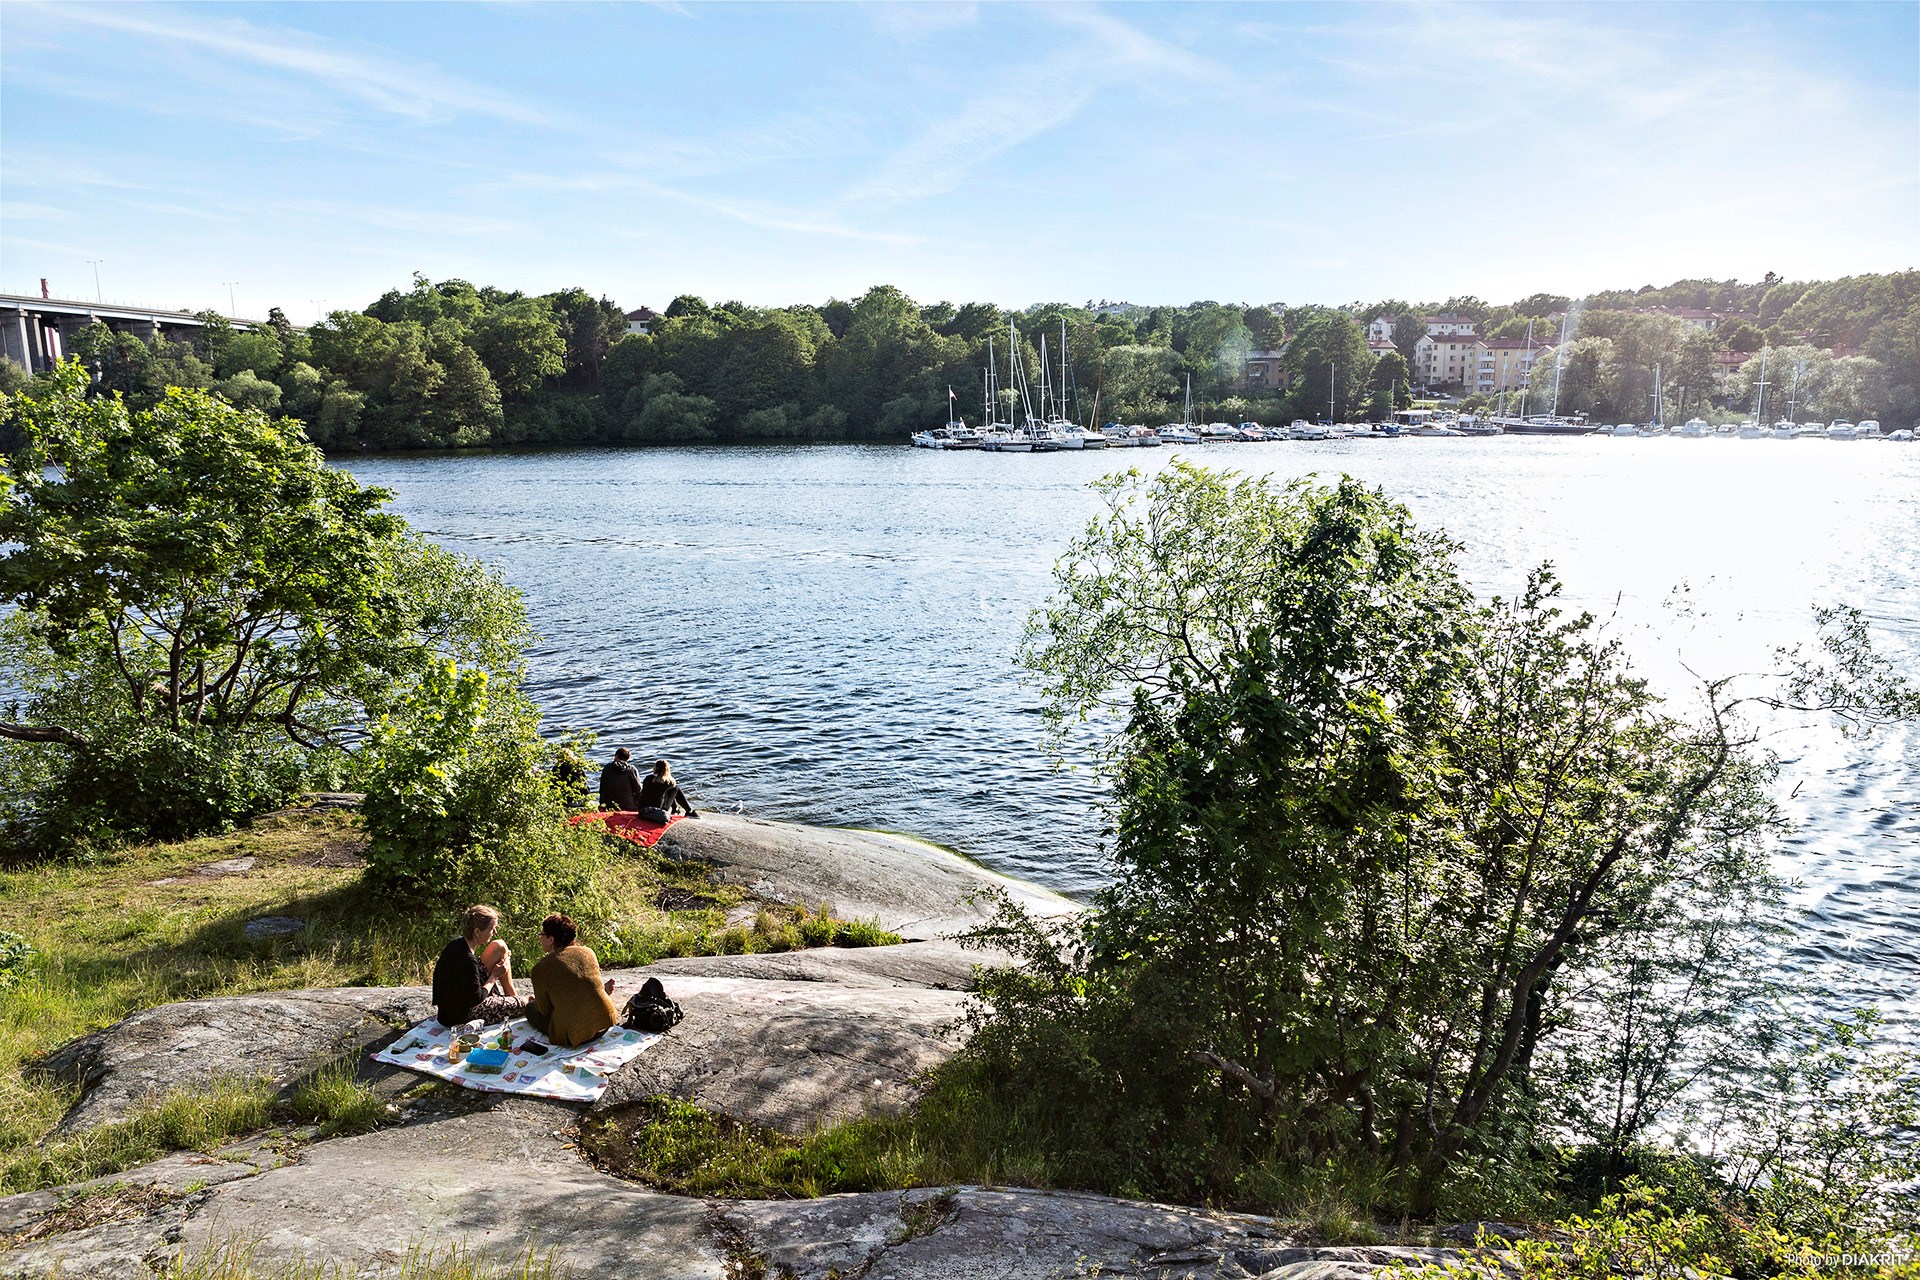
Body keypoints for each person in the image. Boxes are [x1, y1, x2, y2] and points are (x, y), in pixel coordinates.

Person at [526, 913, 620, 1048]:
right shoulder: (588, 952)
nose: (540, 938)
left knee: (530, 1008)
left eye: (542, 934)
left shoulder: (540, 968)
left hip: (575, 1035)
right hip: (605, 1023)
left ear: (551, 939)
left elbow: (544, 1010)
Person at [431, 904, 528, 1028]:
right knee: (530, 1000)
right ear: (477, 932)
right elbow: (477, 999)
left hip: (449, 1010)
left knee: (499, 946)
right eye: (492, 929)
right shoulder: (468, 959)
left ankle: (513, 998)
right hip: (461, 1016)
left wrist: (504, 960)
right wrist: (493, 976)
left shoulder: (456, 944)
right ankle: (517, 1003)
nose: (495, 932)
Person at [636, 759, 700, 821]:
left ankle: (675, 809)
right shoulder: (668, 782)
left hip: (642, 810)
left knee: (666, 791)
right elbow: (672, 793)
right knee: (675, 788)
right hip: (656, 812)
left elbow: (643, 792)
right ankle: (689, 811)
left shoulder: (648, 778)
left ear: (655, 768)